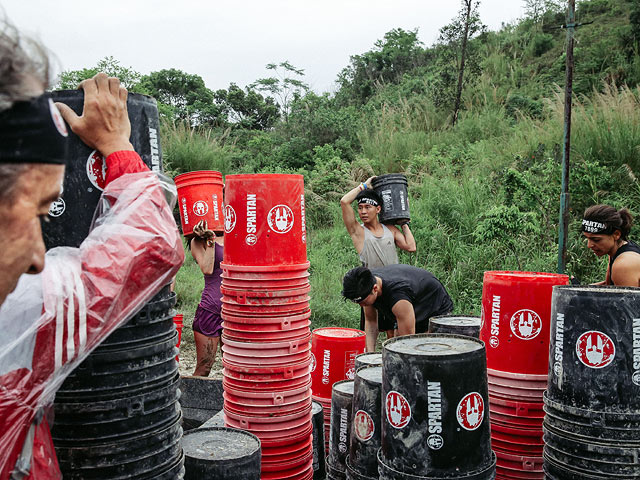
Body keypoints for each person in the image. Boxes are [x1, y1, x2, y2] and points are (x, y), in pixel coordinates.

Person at [0, 22, 184, 479]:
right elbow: (151, 245)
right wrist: (118, 147)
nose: (40, 258)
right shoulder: (17, 316)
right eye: (37, 212)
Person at [340, 176, 416, 336]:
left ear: (378, 209)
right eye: (360, 208)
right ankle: (369, 357)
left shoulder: (391, 230)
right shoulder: (358, 232)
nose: (363, 212)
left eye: (367, 207)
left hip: (392, 285)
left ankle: (390, 358)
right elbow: (344, 201)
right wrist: (364, 186)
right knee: (371, 323)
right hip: (370, 285)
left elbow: (411, 246)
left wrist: (404, 221)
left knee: (393, 330)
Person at [342, 265, 453, 352]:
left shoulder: (398, 297)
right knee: (394, 341)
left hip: (433, 303)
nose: (361, 305)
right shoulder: (367, 285)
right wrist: (369, 356)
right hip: (410, 296)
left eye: (362, 302)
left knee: (425, 347)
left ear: (375, 289)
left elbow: (408, 340)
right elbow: (371, 322)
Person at [190, 220, 224, 376]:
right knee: (204, 368)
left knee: (235, 369)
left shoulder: (238, 235)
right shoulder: (197, 242)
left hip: (235, 312)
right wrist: (210, 239)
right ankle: (188, 400)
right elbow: (207, 269)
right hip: (211, 310)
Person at [582, 204, 640, 286]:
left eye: (596, 240)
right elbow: (608, 286)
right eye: (587, 238)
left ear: (616, 234)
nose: (589, 245)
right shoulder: (615, 252)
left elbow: (625, 298)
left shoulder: (624, 264)